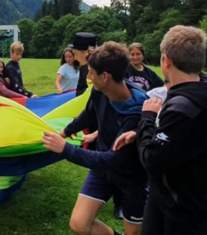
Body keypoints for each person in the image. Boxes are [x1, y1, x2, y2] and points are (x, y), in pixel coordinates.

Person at [114, 26, 207, 235]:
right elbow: (179, 143)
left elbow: (152, 159)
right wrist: (141, 134)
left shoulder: (183, 107)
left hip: (184, 208)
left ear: (166, 60)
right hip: (173, 198)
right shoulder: (204, 91)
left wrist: (147, 119)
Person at [42, 42, 149, 235]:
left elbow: (112, 159)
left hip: (132, 178)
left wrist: (65, 148)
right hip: (102, 171)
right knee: (79, 224)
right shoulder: (99, 92)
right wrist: (64, 132)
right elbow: (89, 114)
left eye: (90, 72)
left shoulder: (138, 111)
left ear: (105, 76)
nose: (88, 77)